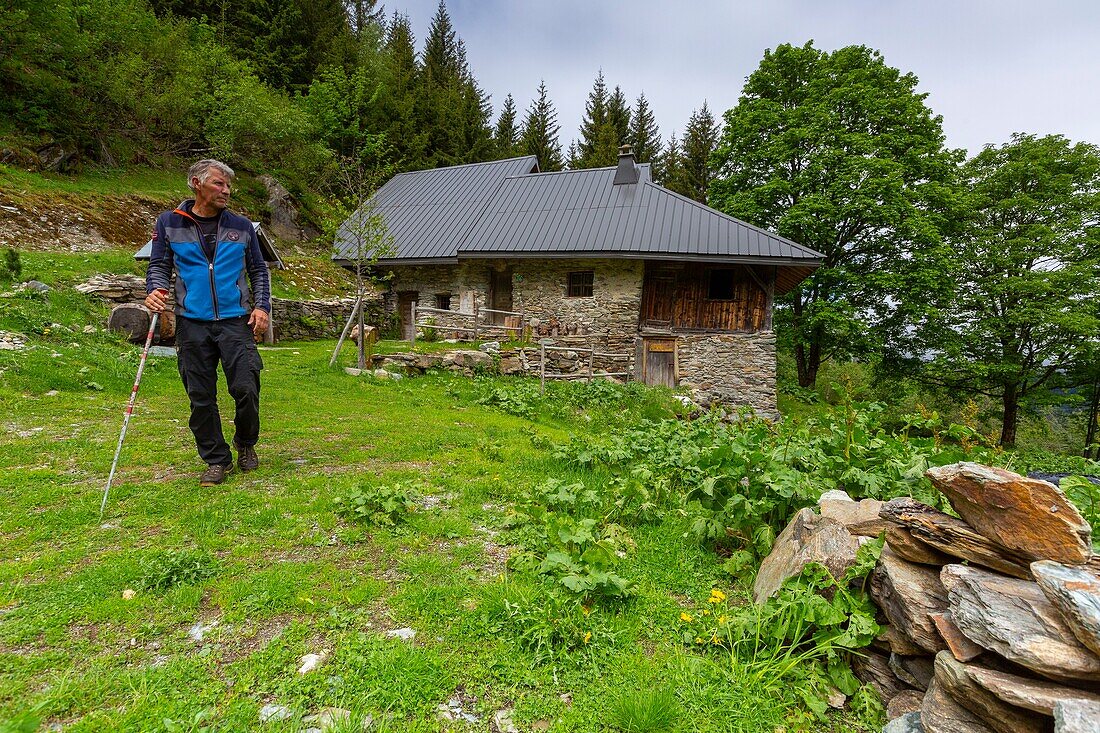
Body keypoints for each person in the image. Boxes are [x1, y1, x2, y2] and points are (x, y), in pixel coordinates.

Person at [145, 159, 271, 486]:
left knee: (246, 387)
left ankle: (245, 443)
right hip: (192, 323)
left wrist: (262, 307)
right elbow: (158, 265)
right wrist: (155, 289)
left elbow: (259, 270)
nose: (226, 190)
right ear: (196, 184)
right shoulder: (169, 223)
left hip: (236, 322)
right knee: (200, 396)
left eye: (228, 185)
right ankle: (217, 459)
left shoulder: (242, 226)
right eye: (219, 184)